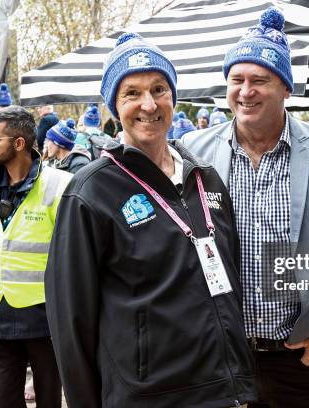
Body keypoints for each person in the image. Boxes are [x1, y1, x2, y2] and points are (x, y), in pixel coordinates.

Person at [45, 32, 255, 408]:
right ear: (114, 106)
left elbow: (228, 280)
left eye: (159, 89)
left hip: (225, 393)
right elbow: (71, 323)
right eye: (132, 93)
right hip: (149, 397)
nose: (149, 104)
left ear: (173, 97)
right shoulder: (90, 192)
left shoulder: (205, 178)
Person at [183, 7, 309, 407]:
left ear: (286, 87)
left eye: (260, 80)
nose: (245, 90)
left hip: (300, 356)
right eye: (236, 79)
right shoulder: (193, 153)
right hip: (221, 358)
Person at [0, 106, 70, 408]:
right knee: (6, 400)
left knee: (49, 400)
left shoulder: (59, 186)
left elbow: (72, 256)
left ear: (19, 143)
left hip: (44, 319)